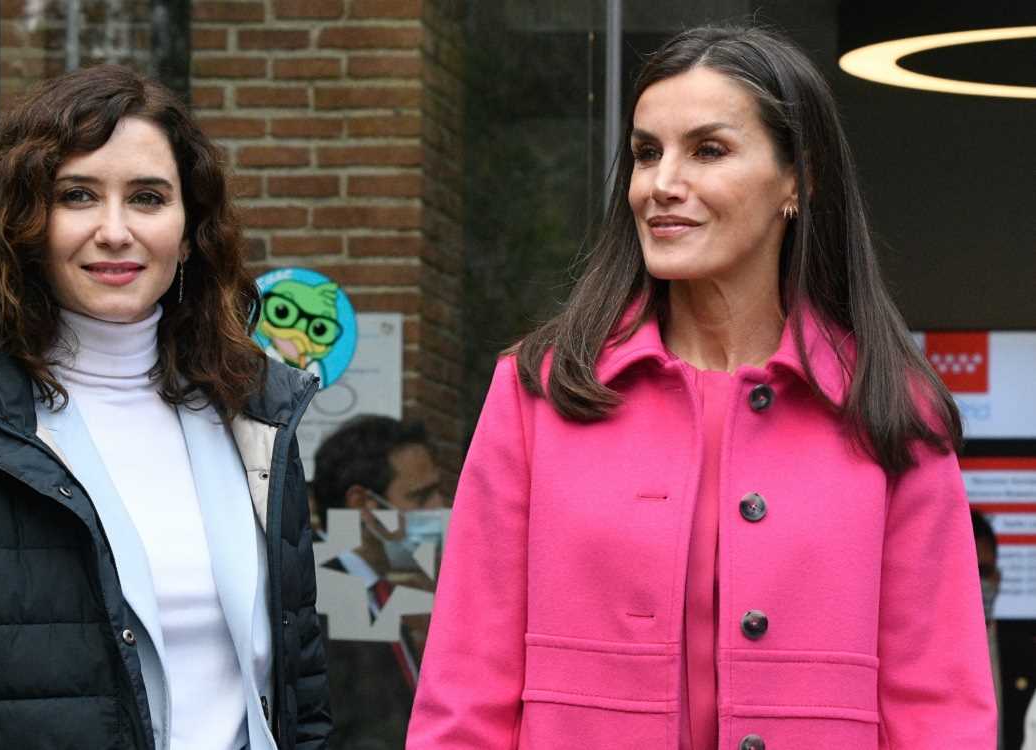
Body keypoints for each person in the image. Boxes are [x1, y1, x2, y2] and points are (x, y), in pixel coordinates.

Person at [407, 24, 994, 749]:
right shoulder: (539, 393)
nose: (661, 185)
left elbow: (939, 707)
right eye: (646, 153)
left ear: (796, 181)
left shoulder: (890, 410)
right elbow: (465, 689)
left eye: (707, 150)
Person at [0, 65, 329, 750]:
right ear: (22, 220)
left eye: (147, 198)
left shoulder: (255, 421)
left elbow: (302, 699)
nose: (114, 231)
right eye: (77, 196)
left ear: (189, 227)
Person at [312, 416, 448, 750]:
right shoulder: (314, 597)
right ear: (363, 505)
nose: (439, 508)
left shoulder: (375, 590)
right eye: (421, 497)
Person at [974, 510, 1005, 748]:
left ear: (997, 577)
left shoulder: (1026, 653)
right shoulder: (922, 657)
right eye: (968, 574)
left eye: (982, 572)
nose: (976, 585)